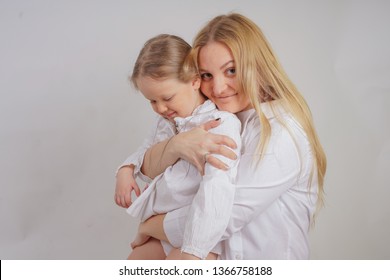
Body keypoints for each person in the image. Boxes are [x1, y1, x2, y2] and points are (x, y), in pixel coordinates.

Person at [125, 13, 327, 260]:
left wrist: (149, 225)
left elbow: (222, 214)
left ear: (258, 65)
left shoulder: (281, 132)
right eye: (207, 75)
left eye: (231, 70)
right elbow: (147, 169)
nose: (218, 89)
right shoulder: (216, 117)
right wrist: (176, 145)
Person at [115, 34, 242, 260]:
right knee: (133, 261)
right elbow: (146, 152)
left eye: (167, 98)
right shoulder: (166, 123)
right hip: (162, 225)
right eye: (152, 101)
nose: (160, 108)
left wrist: (194, 250)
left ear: (194, 81)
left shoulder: (220, 124)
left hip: (198, 232)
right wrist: (126, 169)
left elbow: (217, 189)